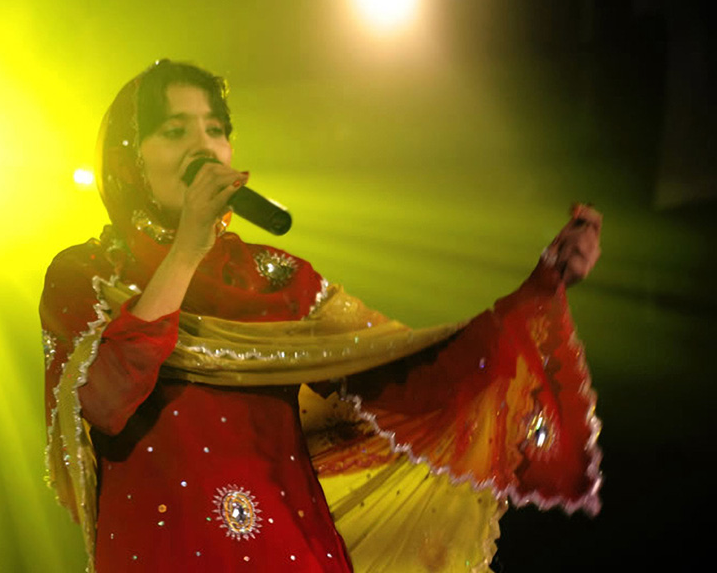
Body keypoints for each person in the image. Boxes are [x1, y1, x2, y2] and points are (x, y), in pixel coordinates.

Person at [41, 60, 603, 572]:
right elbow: (105, 400)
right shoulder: (87, 275)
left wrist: (540, 286)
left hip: (290, 551)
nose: (203, 147)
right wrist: (188, 248)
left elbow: (408, 371)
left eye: (216, 130)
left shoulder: (274, 279)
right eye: (174, 131)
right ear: (126, 160)